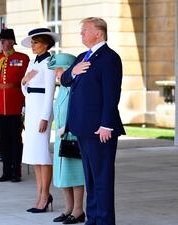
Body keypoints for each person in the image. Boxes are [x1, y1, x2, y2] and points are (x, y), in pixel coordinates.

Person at [61, 17, 125, 225]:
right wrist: (73, 70)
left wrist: (106, 124)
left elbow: (111, 94)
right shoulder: (82, 56)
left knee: (102, 178)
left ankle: (105, 221)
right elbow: (64, 80)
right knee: (90, 178)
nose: (81, 33)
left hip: (100, 129)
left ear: (98, 33)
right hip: (82, 128)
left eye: (85, 30)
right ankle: (93, 219)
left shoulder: (109, 58)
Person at [0, 28, 30, 182]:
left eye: (4, 40)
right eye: (1, 40)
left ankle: (16, 172)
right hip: (0, 105)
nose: (2, 43)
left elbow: (27, 82)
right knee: (2, 140)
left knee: (15, 140)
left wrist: (25, 104)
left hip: (15, 104)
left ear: (11, 41)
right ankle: (6, 171)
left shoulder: (22, 58)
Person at [20, 28, 58, 213]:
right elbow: (25, 86)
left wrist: (45, 117)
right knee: (35, 155)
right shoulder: (33, 61)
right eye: (32, 42)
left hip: (41, 110)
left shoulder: (49, 62)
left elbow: (50, 92)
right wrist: (24, 83)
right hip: (32, 109)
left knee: (42, 154)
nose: (32, 46)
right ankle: (39, 194)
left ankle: (45, 195)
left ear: (45, 44)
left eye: (35, 42)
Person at [48, 53, 86, 224]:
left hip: (72, 134)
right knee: (63, 175)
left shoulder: (76, 85)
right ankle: (68, 209)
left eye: (59, 69)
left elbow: (78, 110)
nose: (57, 73)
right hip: (61, 137)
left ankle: (78, 210)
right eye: (56, 70)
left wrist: (68, 126)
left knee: (75, 174)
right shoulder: (63, 86)